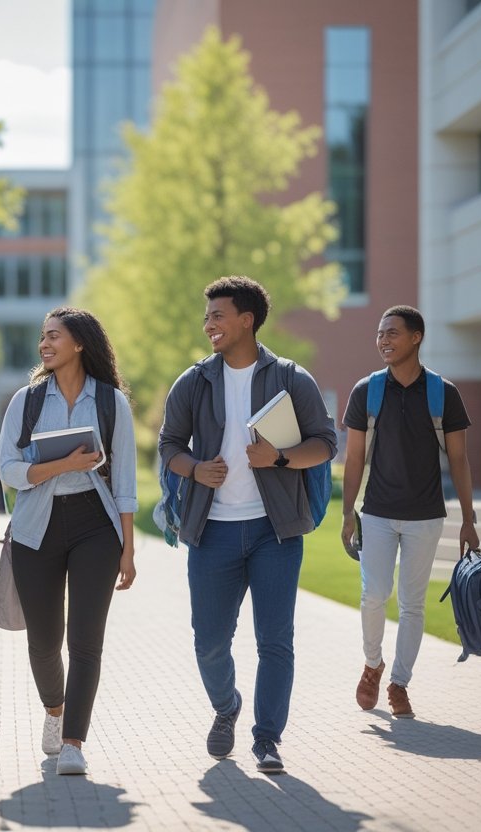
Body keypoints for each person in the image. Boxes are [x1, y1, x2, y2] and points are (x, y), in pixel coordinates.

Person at [159, 277, 336, 774]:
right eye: (207, 316)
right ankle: (226, 706)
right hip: (211, 530)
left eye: (218, 315)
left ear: (247, 320)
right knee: (209, 640)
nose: (209, 324)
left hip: (273, 532)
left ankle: (267, 739)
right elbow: (169, 445)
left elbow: (324, 444)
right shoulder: (194, 382)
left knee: (275, 639)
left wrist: (278, 458)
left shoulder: (290, 378)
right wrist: (195, 468)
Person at [0, 307, 137, 776]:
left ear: (79, 342)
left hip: (96, 526)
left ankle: (74, 741)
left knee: (86, 641)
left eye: (53, 336)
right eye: (42, 337)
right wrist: (63, 465)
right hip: (37, 526)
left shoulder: (112, 401)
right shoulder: (27, 401)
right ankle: (54, 712)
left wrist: (128, 548)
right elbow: (9, 469)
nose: (44, 345)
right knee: (43, 641)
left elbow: (124, 480)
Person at [341, 305, 478, 718]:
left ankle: (399, 683)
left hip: (426, 516)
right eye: (380, 333)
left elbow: (459, 460)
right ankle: (372, 665)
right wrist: (348, 512)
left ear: (416, 337)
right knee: (373, 594)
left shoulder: (443, 393)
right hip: (378, 513)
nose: (383, 339)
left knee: (413, 604)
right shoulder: (367, 390)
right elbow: (353, 459)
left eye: (392, 333)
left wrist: (469, 519)